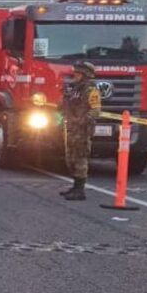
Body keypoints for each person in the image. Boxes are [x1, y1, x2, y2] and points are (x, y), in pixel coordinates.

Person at [60, 61, 102, 201]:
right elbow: (65, 107)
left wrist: (84, 121)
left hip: (82, 129)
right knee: (70, 158)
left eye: (78, 73)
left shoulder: (91, 90)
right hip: (71, 128)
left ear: (85, 75)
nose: (75, 75)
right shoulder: (74, 89)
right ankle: (74, 186)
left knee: (80, 158)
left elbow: (95, 110)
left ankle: (80, 190)